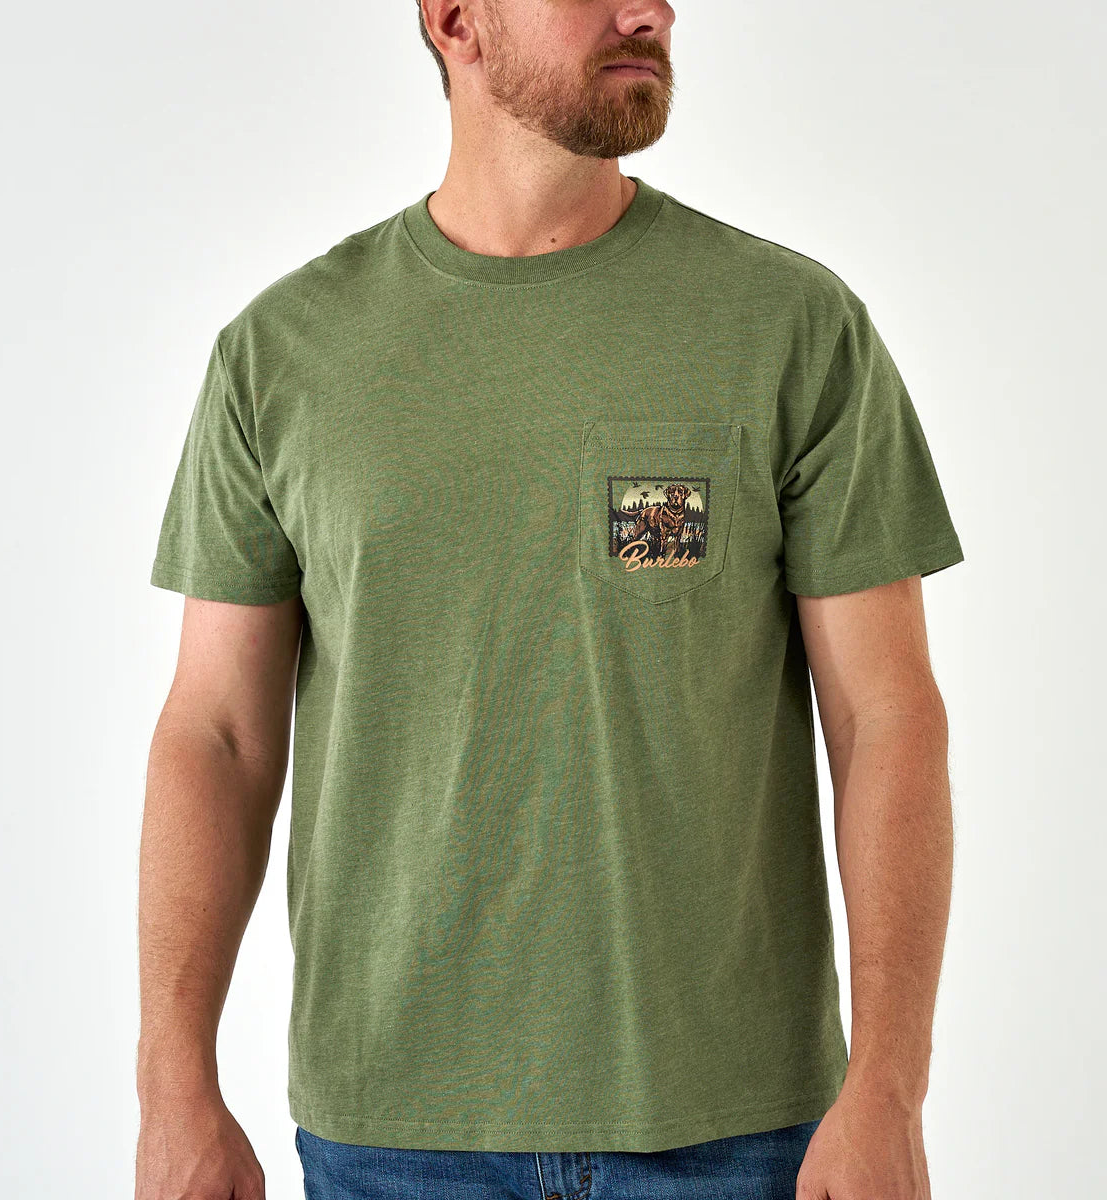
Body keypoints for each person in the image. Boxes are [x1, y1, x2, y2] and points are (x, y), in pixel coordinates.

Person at [134, 0, 965, 1197]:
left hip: (736, 1131)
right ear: (456, 19)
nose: (651, 11)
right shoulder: (283, 355)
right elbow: (215, 732)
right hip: (393, 1135)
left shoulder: (790, 329)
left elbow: (886, 718)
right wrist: (172, 1087)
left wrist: (889, 1088)